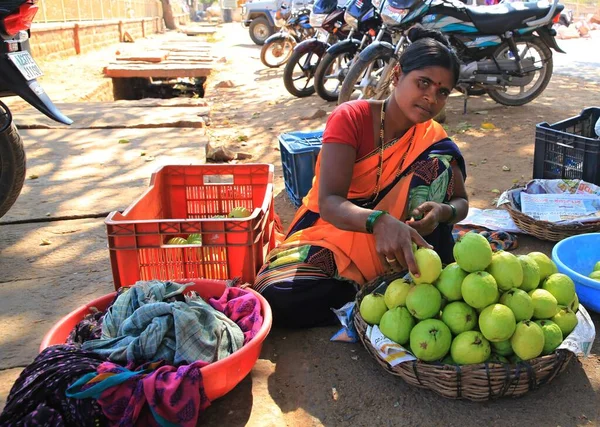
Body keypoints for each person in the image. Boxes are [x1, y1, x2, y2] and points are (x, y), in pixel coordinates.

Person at [253, 26, 469, 328]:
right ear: (396, 76)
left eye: (442, 91)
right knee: (275, 294)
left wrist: (443, 212)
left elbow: (461, 202)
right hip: (338, 231)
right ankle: (380, 292)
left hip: (403, 241)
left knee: (439, 163)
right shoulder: (351, 118)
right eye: (423, 83)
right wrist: (378, 221)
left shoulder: (434, 141)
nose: (431, 97)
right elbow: (329, 202)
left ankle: (396, 290)